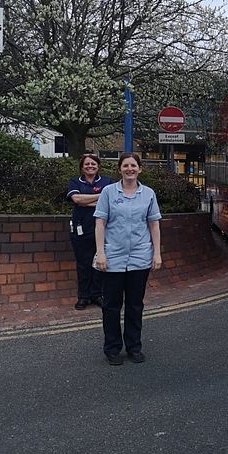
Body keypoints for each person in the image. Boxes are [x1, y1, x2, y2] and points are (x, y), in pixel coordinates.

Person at [94, 153, 162, 365]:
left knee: (135, 305)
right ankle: (112, 348)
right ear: (120, 169)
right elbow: (100, 223)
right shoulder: (108, 192)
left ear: (140, 169)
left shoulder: (148, 194)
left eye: (134, 165)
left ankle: (134, 346)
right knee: (111, 306)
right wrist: (101, 253)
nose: (130, 169)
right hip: (113, 257)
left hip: (140, 257)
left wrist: (157, 253)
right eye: (126, 165)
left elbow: (154, 224)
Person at [67, 154, 113, 310]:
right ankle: (83, 296)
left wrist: (86, 200)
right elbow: (77, 200)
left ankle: (97, 294)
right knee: (83, 264)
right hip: (80, 229)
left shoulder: (107, 181)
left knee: (99, 262)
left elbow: (110, 202)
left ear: (98, 166)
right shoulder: (74, 181)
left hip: (102, 229)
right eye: (87, 164)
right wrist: (100, 197)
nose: (90, 166)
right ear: (82, 167)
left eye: (93, 163)